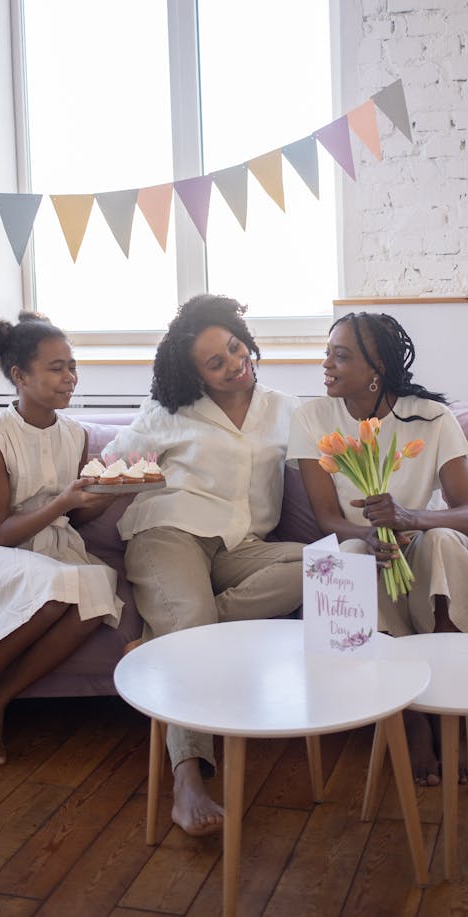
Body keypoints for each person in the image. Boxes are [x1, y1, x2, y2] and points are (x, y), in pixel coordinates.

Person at [102, 294, 305, 836]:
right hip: (170, 533)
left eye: (236, 349)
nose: (235, 364)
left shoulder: (287, 408)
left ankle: (167, 637)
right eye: (216, 363)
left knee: (334, 563)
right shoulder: (169, 412)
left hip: (242, 548)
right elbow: (109, 465)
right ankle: (189, 779)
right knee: (189, 629)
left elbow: (338, 458)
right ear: (194, 374)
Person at [287, 311, 468, 785]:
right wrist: (371, 536)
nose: (326, 363)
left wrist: (410, 519)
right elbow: (327, 518)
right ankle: (408, 714)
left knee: (445, 541)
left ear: (378, 369)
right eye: (327, 352)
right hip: (364, 545)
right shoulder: (311, 418)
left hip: (425, 541)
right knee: (344, 559)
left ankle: (448, 705)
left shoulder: (431, 418)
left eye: (341, 355)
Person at [0, 312, 124, 767]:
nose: (70, 377)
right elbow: (1, 532)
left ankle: (1, 701)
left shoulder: (76, 434)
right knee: (56, 590)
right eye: (57, 368)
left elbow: (75, 517)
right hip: (4, 550)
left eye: (72, 366)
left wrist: (117, 493)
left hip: (55, 545)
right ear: (20, 376)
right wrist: (62, 502)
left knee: (97, 589)